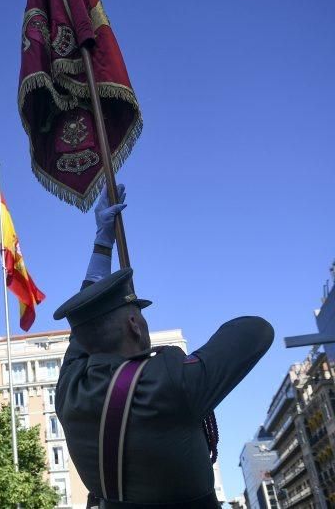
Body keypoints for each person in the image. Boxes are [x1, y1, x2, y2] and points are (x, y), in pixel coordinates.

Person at [53, 184, 274, 508]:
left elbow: (85, 319)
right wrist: (174, 357)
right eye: (139, 314)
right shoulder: (170, 380)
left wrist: (103, 241)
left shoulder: (71, 390)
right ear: (134, 324)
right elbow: (257, 329)